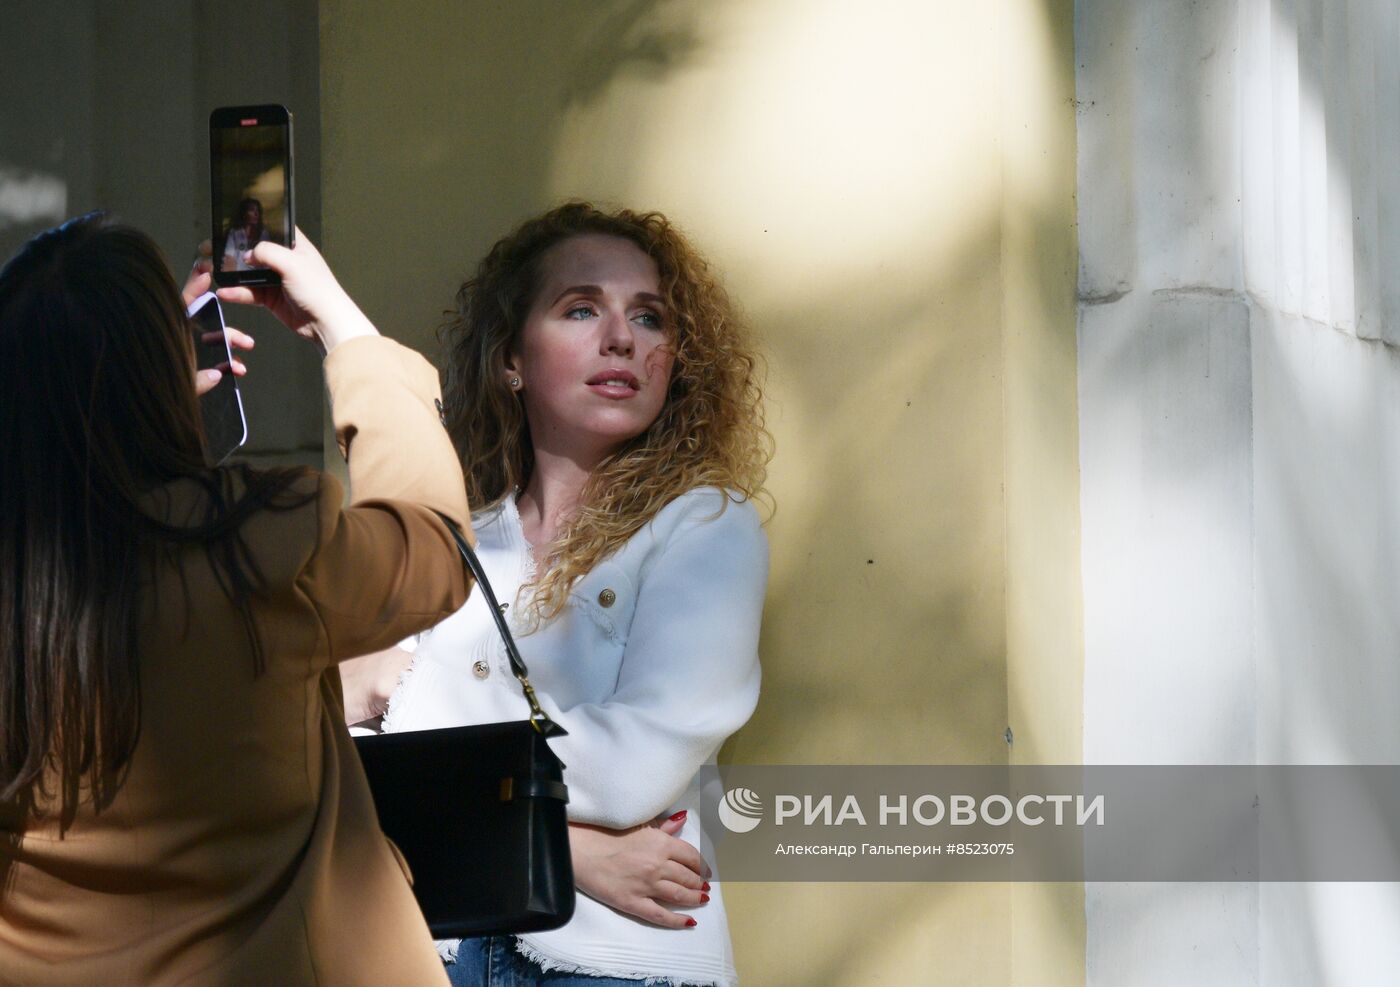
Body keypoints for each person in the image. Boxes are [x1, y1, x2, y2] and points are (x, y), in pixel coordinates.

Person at [0, 214, 470, 985]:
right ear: (163, 367)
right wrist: (342, 328)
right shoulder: (262, 545)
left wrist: (126, 426)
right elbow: (434, 546)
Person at [341, 202, 771, 987]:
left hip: (621, 961)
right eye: (581, 308)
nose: (622, 339)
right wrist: (575, 852)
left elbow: (629, 771)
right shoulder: (450, 537)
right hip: (434, 949)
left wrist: (398, 690)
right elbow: (347, 773)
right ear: (511, 358)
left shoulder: (707, 524)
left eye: (649, 317)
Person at [222, 197, 270, 271]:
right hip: (239, 273)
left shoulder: (263, 233)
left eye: (258, 211)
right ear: (244, 213)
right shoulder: (234, 232)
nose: (256, 214)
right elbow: (229, 256)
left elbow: (266, 258)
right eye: (252, 210)